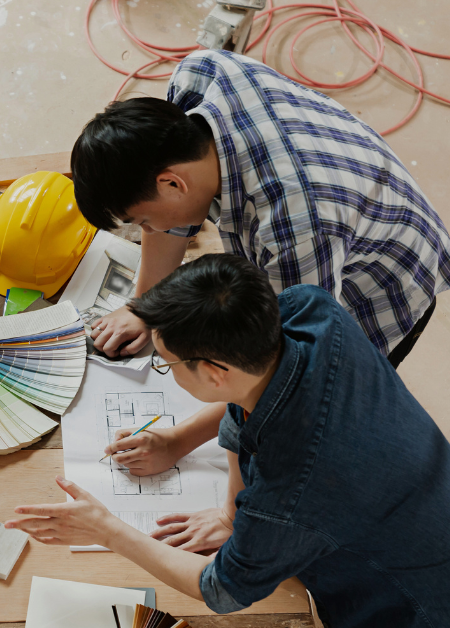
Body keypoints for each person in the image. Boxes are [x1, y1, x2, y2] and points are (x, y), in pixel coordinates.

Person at [5, 254, 450, 628]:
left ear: (214, 371)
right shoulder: (308, 313)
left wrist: (107, 528)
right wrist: (230, 512)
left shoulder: (294, 490)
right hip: (423, 497)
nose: (165, 367)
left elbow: (221, 588)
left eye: (168, 363)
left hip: (425, 617)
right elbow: (248, 407)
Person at [70, 49, 449, 489]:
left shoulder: (293, 229)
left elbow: (276, 368)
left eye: (142, 222)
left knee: (318, 415)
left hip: (385, 279)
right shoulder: (200, 75)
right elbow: (173, 215)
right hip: (348, 196)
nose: (149, 231)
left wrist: (178, 441)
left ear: (173, 183)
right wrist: (145, 304)